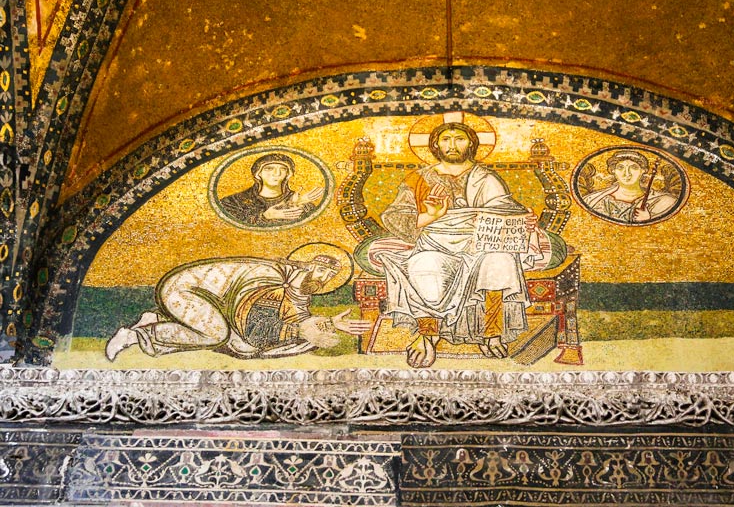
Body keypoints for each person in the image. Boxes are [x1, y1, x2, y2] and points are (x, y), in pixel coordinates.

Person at [371, 121, 553, 368]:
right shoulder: (419, 178)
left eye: (460, 139)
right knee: (425, 264)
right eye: (446, 139)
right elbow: (397, 218)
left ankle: (492, 332)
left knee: (500, 261)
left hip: (481, 245)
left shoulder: (486, 178)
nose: (452, 145)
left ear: (471, 144)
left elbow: (506, 210)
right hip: (435, 242)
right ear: (436, 144)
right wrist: (432, 216)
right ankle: (428, 333)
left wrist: (524, 220)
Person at [104, 253, 370, 361]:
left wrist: (330, 323)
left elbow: (295, 318)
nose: (323, 279)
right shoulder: (270, 278)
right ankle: (138, 335)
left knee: (248, 346)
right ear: (308, 265)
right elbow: (254, 327)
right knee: (217, 335)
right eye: (321, 270)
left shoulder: (296, 289)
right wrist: (301, 332)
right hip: (184, 291)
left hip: (217, 304)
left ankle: (155, 319)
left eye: (329, 276)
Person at [219, 153, 325, 226]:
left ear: (288, 174)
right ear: (258, 173)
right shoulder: (234, 201)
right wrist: (265, 216)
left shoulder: (304, 203)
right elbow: (226, 227)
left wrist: (296, 204)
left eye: (283, 169)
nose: (276, 174)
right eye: (269, 169)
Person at [581, 150, 677, 223]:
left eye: (634, 167)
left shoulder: (664, 201)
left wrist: (647, 219)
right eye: (620, 167)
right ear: (613, 171)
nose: (627, 174)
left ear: (643, 170)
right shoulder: (593, 200)